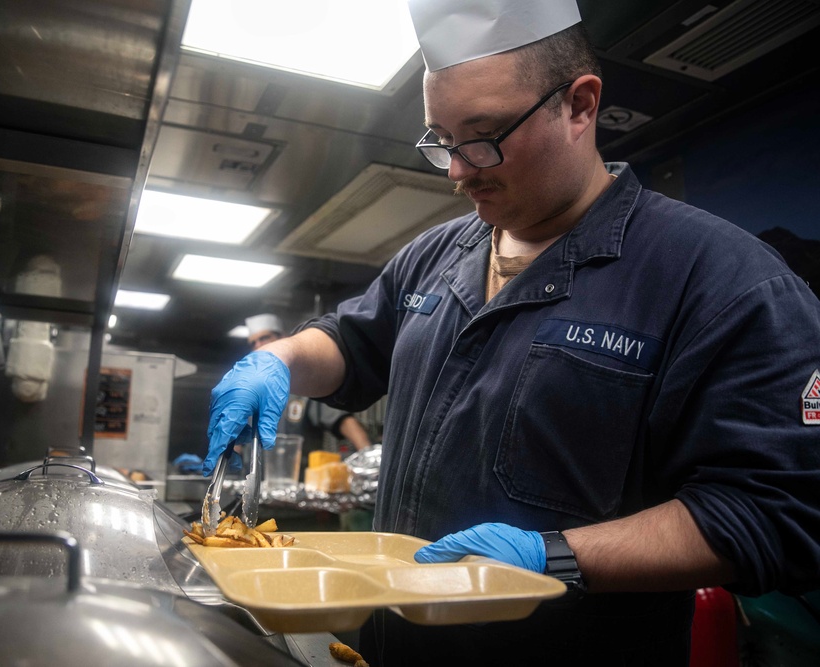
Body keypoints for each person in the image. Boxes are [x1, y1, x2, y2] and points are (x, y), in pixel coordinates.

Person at [203, 1, 820, 664]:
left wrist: (554, 554)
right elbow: (354, 343)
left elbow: (774, 512)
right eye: (440, 139)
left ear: (581, 105)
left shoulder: (721, 279)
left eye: (485, 135)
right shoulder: (437, 253)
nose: (459, 170)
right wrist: (283, 360)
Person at [244, 313, 373, 479]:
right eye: (253, 343)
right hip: (254, 488)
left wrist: (369, 457)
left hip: (299, 489)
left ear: (283, 337)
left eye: (264, 338)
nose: (258, 345)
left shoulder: (304, 386)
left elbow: (344, 422)